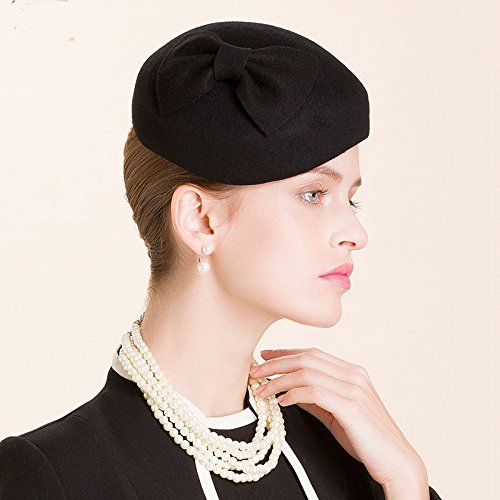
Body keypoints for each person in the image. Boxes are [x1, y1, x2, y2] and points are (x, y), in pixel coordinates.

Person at [0, 20, 443, 499]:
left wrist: (407, 481)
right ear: (201, 221)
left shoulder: (356, 454)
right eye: (314, 194)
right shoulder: (56, 476)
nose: (356, 233)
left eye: (350, 199)